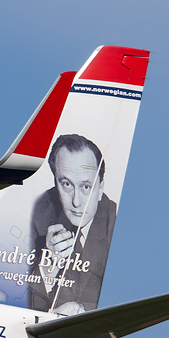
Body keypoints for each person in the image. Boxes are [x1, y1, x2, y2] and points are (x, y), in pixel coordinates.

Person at [28, 133, 117, 315]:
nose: (76, 201)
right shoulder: (37, 216)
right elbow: (15, 302)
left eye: (86, 187)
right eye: (67, 184)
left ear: (101, 188)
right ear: (55, 182)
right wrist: (47, 269)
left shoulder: (117, 225)